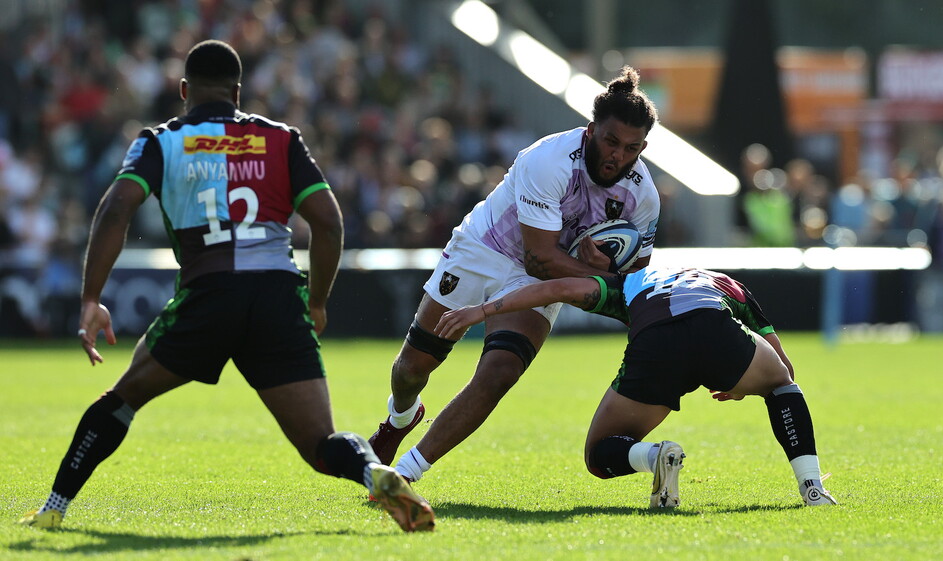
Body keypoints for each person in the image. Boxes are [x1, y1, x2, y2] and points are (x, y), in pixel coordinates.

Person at [17, 40, 434, 533]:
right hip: (277, 298)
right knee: (321, 445)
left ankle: (54, 508)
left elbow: (115, 208)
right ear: (237, 93)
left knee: (122, 399)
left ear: (183, 90)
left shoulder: (161, 141)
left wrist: (92, 298)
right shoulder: (281, 139)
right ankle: (374, 472)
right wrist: (317, 301)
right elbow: (328, 223)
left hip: (209, 295)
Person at [369, 66, 662, 485]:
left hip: (543, 277)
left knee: (501, 372)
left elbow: (631, 280)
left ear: (643, 147)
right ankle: (400, 418)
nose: (617, 155)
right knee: (412, 369)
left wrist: (609, 272)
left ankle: (403, 474)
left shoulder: (643, 197)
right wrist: (597, 276)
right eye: (610, 141)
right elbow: (538, 258)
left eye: (631, 148)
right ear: (590, 131)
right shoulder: (549, 160)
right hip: (484, 249)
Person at [435, 266, 838, 508]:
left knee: (599, 454)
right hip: (714, 326)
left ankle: (654, 456)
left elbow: (555, 288)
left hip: (656, 342)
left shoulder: (626, 282)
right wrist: (744, 381)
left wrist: (482, 310)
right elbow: (784, 367)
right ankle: (812, 486)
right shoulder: (725, 283)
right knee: (781, 386)